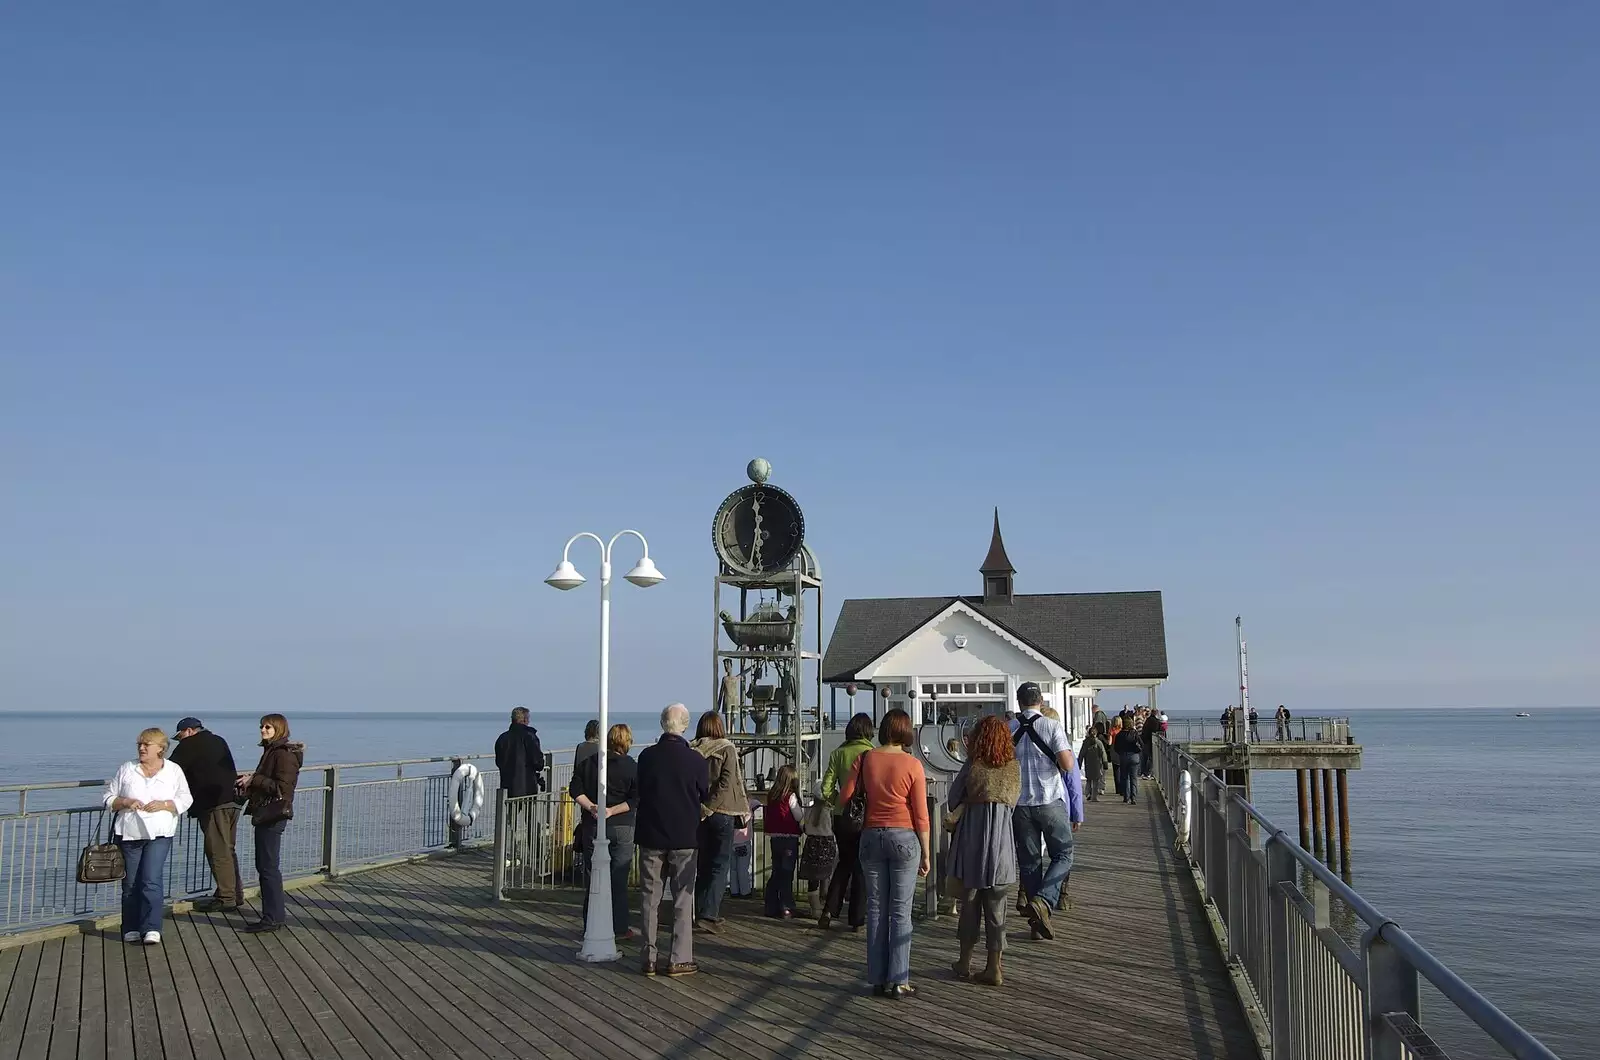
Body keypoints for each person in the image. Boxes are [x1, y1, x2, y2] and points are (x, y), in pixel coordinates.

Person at [838, 708, 929, 999]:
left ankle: (877, 978)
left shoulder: (864, 759)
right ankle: (899, 980)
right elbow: (921, 814)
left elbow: (845, 797)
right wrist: (926, 853)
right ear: (906, 732)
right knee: (901, 912)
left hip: (870, 836)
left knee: (876, 909)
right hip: (903, 837)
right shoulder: (913, 765)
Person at [634, 703, 709, 976]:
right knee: (682, 900)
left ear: (662, 724)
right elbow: (705, 793)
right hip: (684, 837)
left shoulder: (646, 757)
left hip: (651, 835)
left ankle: (649, 957)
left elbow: (640, 790)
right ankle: (679, 958)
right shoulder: (696, 760)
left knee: (649, 899)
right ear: (685, 726)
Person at [946, 716, 1019, 987]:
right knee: (997, 906)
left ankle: (964, 961)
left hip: (973, 841)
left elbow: (954, 797)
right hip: (1000, 843)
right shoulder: (1013, 768)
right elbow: (1013, 804)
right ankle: (994, 967)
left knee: (970, 902)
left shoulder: (973, 766)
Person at [102, 727, 193, 944]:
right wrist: (125, 802)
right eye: (139, 745)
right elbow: (108, 797)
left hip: (160, 833)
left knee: (151, 880)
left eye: (146, 745)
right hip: (129, 832)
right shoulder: (127, 768)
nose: (141, 748)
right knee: (131, 882)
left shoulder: (173, 770)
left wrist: (165, 804)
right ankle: (131, 927)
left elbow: (186, 798)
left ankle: (152, 927)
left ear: (160, 748)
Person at [1008, 682, 1074, 942]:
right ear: (1041, 701)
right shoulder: (1051, 725)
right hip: (1049, 800)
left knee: (1029, 862)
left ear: (1019, 701)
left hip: (1020, 804)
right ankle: (1044, 901)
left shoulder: (1009, 728)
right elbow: (1067, 765)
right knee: (1064, 853)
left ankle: (1036, 926)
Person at [569, 722, 640, 940]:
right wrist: (612, 810)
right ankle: (619, 928)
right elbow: (635, 799)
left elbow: (575, 789)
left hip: (593, 825)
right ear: (627, 742)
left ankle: (590, 925)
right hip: (622, 826)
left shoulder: (590, 763)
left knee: (593, 878)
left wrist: (592, 807)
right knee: (618, 879)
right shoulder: (632, 766)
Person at [238, 714, 303, 933]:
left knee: (268, 867)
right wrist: (252, 780)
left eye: (268, 727)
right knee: (265, 866)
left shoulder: (283, 755)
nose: (263, 730)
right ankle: (273, 915)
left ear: (279, 729)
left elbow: (283, 789)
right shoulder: (272, 752)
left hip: (273, 815)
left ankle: (272, 917)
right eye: (261, 726)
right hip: (267, 813)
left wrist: (254, 779)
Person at [168, 716, 241, 912]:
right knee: (228, 850)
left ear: (190, 731)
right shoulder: (219, 740)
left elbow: (170, 770)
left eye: (181, 735)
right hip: (232, 801)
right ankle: (235, 894)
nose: (180, 739)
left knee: (218, 851)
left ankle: (227, 898)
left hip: (213, 804)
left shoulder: (189, 745)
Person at [691, 711, 750, 933]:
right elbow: (727, 782)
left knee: (702, 864)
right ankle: (709, 914)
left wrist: (701, 807)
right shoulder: (727, 748)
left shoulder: (693, 749)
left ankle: (698, 911)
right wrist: (711, 806)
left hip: (698, 813)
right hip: (722, 812)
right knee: (719, 864)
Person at [818, 712, 875, 931]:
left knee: (843, 863)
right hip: (865, 816)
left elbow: (825, 789)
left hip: (842, 816)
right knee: (860, 867)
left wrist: (838, 802)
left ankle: (829, 910)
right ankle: (857, 919)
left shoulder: (837, 753)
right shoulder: (871, 753)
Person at [763, 764, 802, 918]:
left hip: (775, 837)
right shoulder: (790, 796)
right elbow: (798, 816)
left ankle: (770, 905)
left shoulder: (772, 794)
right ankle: (787, 906)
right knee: (787, 873)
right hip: (789, 838)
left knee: (776, 872)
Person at [798, 799, 838, 918]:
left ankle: (815, 909)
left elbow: (803, 826)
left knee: (813, 877)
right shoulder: (830, 811)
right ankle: (825, 906)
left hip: (812, 843)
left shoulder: (809, 810)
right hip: (827, 843)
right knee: (826, 875)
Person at [495, 707, 545, 798]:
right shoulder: (529, 737)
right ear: (525, 720)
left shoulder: (502, 738)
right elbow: (538, 763)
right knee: (529, 811)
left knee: (509, 811)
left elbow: (499, 762)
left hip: (507, 786)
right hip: (527, 787)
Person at [1112, 721, 1143, 804]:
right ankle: (1134, 798)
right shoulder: (1135, 734)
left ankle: (1126, 797)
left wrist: (1121, 753)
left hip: (1124, 756)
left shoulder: (1119, 735)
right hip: (1134, 756)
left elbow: (1116, 747)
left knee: (1125, 777)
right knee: (1134, 778)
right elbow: (1142, 744)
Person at [1079, 725, 1109, 802]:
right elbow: (1103, 753)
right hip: (1097, 764)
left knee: (1088, 780)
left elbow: (1081, 753)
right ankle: (1094, 797)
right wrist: (1105, 763)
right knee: (1096, 781)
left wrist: (1079, 763)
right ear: (1096, 734)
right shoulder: (1099, 743)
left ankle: (1087, 793)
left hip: (1088, 763)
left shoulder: (1085, 743)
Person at [1140, 709, 1164, 779]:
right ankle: (1148, 773)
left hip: (1145, 741)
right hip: (1151, 742)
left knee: (1144, 758)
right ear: (1156, 713)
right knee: (1151, 758)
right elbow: (1157, 731)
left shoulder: (1148, 720)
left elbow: (1144, 730)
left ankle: (1143, 772)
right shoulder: (1156, 721)